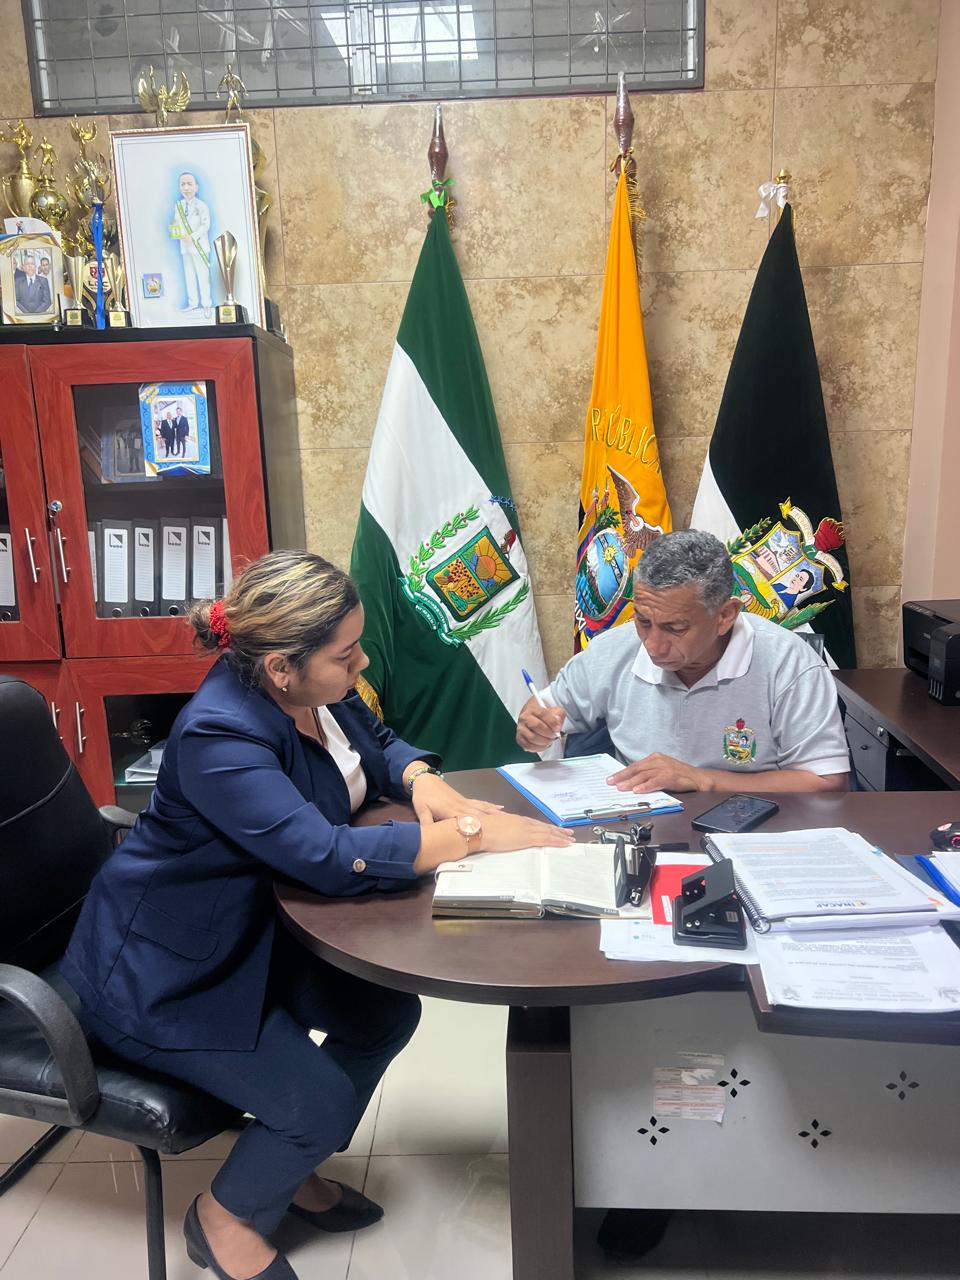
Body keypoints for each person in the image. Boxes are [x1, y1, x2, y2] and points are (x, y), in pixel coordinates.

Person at [61, 550, 571, 1280]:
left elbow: (376, 742)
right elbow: (324, 855)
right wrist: (473, 835)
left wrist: (422, 778)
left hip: (256, 932)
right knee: (317, 1103)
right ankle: (225, 1217)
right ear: (280, 667)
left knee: (383, 1015)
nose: (361, 665)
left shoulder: (313, 690)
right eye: (346, 654)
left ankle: (284, 1168)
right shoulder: (220, 736)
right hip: (161, 973)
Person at [517, 529, 849, 794]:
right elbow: (545, 709)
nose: (653, 645)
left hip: (755, 827)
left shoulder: (789, 663)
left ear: (725, 615)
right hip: (639, 823)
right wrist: (535, 727)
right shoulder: (613, 649)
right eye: (643, 621)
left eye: (675, 628)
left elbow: (825, 781)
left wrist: (701, 779)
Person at [171, 171, 213, 317]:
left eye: (189, 184)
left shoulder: (202, 206)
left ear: (196, 187)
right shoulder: (178, 206)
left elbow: (205, 225)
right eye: (183, 184)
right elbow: (176, 222)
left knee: (203, 276)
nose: (186, 187)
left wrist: (193, 236)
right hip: (185, 247)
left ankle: (206, 305)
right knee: (189, 275)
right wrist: (176, 232)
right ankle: (193, 303)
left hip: (199, 246)